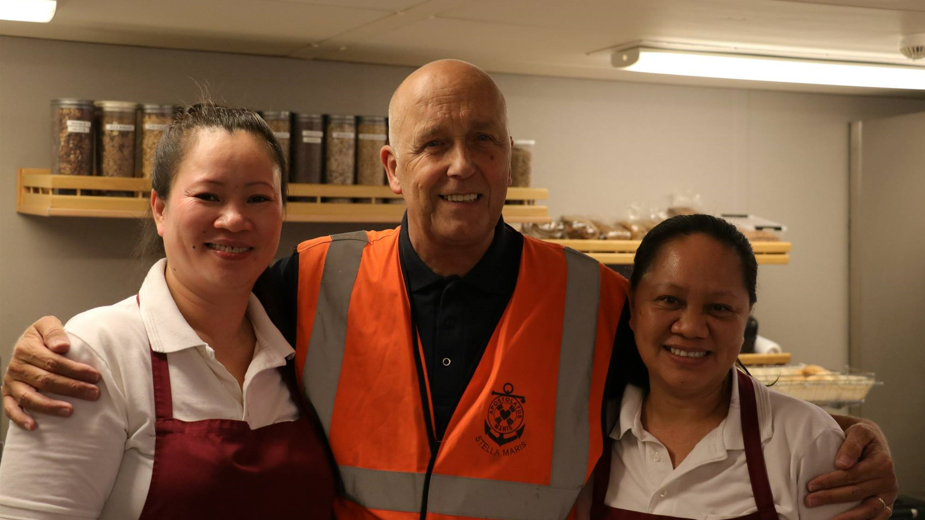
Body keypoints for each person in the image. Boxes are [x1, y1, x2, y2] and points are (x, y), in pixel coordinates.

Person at [2, 61, 898, 520]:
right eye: (432, 144)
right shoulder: (309, 280)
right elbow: (194, 301)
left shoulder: (595, 301)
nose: (459, 165)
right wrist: (46, 346)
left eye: (484, 141)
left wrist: (837, 441)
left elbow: (694, 375)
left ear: (509, 159)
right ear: (393, 164)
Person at [0, 104, 335, 519]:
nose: (233, 219)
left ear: (282, 211)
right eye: (208, 196)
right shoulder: (97, 350)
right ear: (159, 209)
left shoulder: (299, 342)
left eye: (258, 198)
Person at [580, 215, 867, 520]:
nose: (690, 328)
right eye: (669, 299)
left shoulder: (807, 442)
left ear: (747, 317)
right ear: (634, 306)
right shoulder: (583, 435)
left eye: (719, 308)